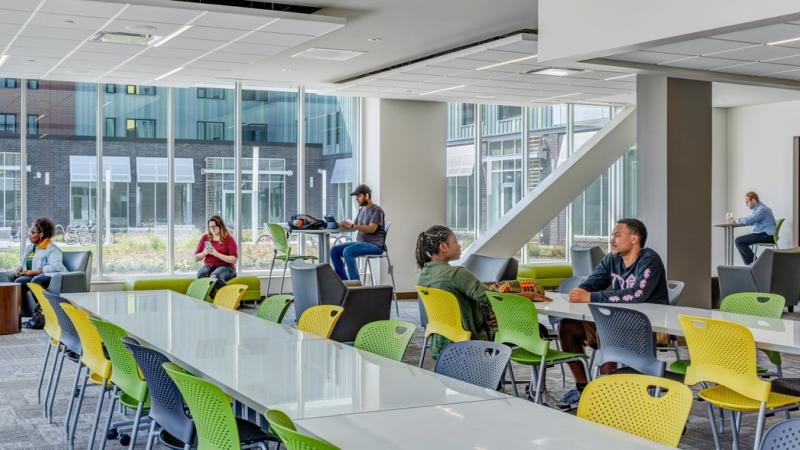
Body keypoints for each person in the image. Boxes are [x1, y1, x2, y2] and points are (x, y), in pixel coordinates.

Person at [556, 218, 668, 410]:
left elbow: (637, 295)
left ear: (634, 238)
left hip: (646, 328)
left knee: (606, 329)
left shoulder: (649, 260)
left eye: (617, 235)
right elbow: (589, 285)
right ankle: (583, 388)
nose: (611, 240)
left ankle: (607, 395)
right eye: (612, 236)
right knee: (567, 327)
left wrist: (590, 296)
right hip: (616, 321)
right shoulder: (611, 260)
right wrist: (580, 292)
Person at [415, 225, 548, 359]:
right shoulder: (456, 274)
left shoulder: (423, 275)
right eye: (455, 242)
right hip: (473, 339)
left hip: (443, 339)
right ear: (443, 247)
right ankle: (533, 380)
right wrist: (527, 295)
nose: (459, 245)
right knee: (539, 330)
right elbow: (492, 299)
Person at [4, 217, 67, 323]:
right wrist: (19, 269)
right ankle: (23, 314)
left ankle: (43, 312)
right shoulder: (30, 248)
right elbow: (23, 263)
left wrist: (34, 272)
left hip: (51, 276)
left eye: (33, 233)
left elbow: (56, 266)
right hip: (33, 275)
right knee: (19, 282)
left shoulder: (52, 249)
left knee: (36, 281)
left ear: (41, 234)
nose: (30, 235)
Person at [330, 184, 386, 281]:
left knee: (348, 251)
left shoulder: (377, 210)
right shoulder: (362, 210)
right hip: (361, 243)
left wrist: (352, 226)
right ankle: (345, 283)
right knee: (334, 251)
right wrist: (342, 225)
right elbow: (354, 226)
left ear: (367, 196)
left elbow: (371, 229)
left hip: (374, 245)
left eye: (359, 196)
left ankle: (355, 285)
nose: (357, 199)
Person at [729, 191, 777, 265]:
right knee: (739, 240)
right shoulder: (759, 209)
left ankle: (755, 265)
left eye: (747, 202)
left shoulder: (762, 209)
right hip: (764, 234)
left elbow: (749, 220)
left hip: (767, 236)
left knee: (739, 241)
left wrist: (736, 220)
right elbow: (751, 220)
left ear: (753, 200)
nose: (746, 204)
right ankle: (754, 265)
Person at [195, 215, 238, 297]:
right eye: (210, 227)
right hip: (209, 266)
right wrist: (204, 253)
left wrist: (217, 254)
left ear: (220, 226)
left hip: (226, 267)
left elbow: (234, 259)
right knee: (201, 274)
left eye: (214, 226)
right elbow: (196, 258)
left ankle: (228, 297)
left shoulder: (229, 239)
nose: (212, 229)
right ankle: (214, 298)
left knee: (215, 276)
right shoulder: (205, 237)